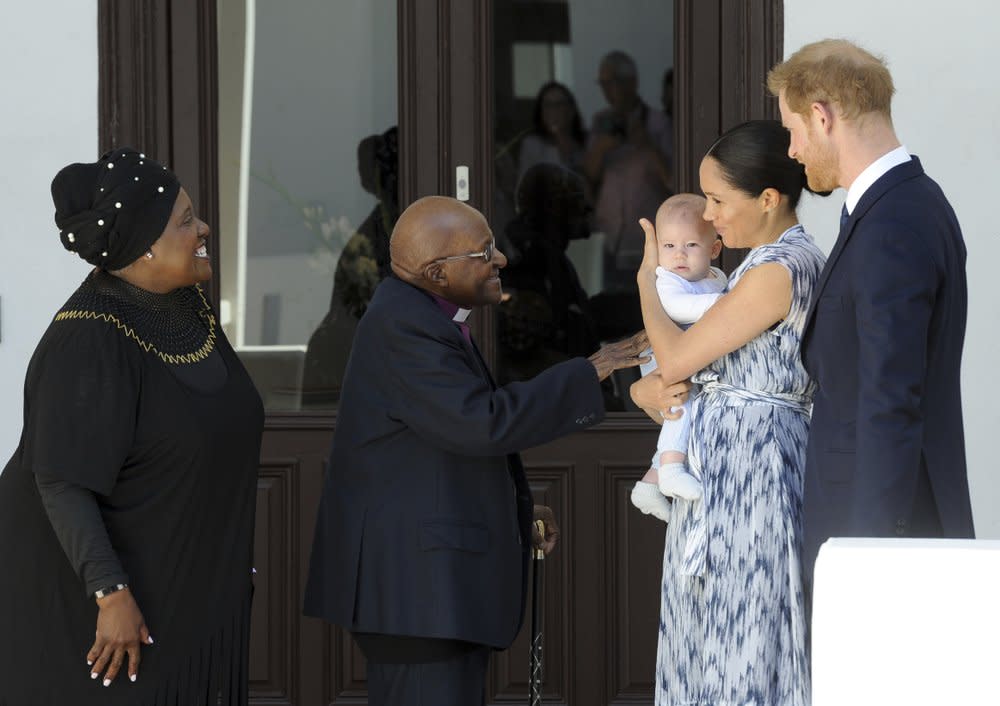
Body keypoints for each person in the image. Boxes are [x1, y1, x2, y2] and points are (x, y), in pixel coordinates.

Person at [303, 195, 650, 706]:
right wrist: (592, 368)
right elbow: (480, 422)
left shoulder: (418, 312)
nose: (502, 259)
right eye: (484, 251)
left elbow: (439, 448)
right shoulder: (406, 326)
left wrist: (518, 509)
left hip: (427, 594)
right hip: (416, 599)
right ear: (438, 272)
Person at [0, 148, 263, 705]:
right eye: (186, 220)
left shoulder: (185, 306)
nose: (203, 229)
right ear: (144, 246)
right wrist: (111, 595)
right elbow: (62, 481)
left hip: (186, 584)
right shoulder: (90, 339)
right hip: (109, 613)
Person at [629, 120, 828, 705]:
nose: (708, 216)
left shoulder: (778, 269)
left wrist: (647, 278)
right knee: (714, 635)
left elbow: (678, 357)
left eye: (718, 199)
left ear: (768, 199)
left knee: (742, 639)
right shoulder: (755, 266)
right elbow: (688, 376)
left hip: (753, 475)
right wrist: (647, 393)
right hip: (731, 471)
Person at [768, 39, 975, 585]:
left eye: (792, 129)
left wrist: (869, 558)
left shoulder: (893, 223)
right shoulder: (902, 205)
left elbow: (891, 398)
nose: (791, 150)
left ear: (821, 115)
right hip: (882, 533)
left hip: (882, 544)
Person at [629, 193, 726, 522]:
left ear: (714, 249)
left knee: (691, 404)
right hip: (664, 356)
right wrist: (730, 308)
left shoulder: (716, 279)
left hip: (691, 356)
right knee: (681, 404)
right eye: (668, 246)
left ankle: (650, 482)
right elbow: (676, 308)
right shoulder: (666, 280)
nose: (679, 254)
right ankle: (670, 468)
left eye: (692, 246)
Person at [583, 50, 672, 293]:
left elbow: (674, 181)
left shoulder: (658, 122)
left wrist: (647, 145)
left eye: (613, 82)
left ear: (632, 82)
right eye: (604, 84)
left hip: (645, 236)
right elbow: (587, 179)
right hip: (608, 237)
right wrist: (601, 149)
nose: (608, 90)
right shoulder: (601, 123)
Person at [516, 81, 587, 182]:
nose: (553, 110)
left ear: (571, 110)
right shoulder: (531, 145)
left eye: (558, 104)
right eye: (547, 105)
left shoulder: (586, 143)